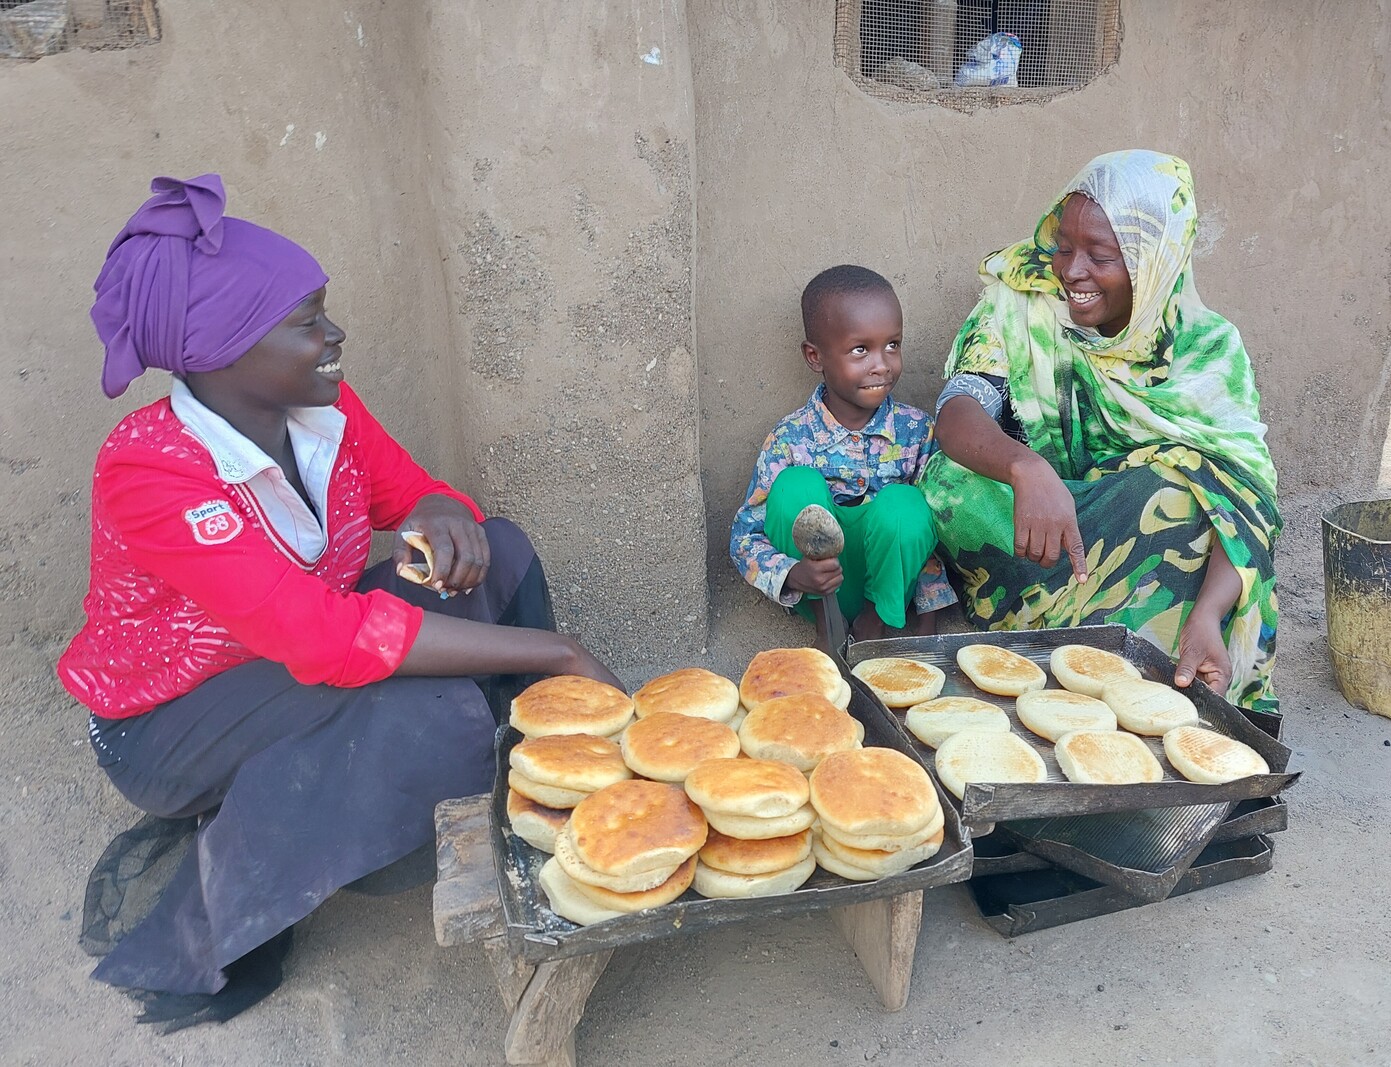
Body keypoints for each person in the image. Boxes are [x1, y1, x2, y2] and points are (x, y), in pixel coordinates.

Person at [58, 174, 621, 1028]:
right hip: (175, 719)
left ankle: (527, 759)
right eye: (307, 319)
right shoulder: (152, 468)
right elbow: (323, 637)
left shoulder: (319, 406)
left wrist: (442, 509)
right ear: (223, 349)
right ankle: (295, 834)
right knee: (424, 718)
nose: (334, 333)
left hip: (294, 650)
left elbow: (414, 496)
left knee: (496, 550)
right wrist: (556, 652)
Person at [922, 151, 1281, 713]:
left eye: (1102, 256)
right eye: (1064, 246)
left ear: (1154, 261)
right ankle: (1052, 645)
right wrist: (1026, 469)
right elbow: (958, 410)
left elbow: (1246, 503)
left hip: (1132, 533)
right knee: (949, 481)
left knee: (1178, 497)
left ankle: (1153, 667)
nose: (1071, 271)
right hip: (1031, 529)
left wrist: (1212, 611)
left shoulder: (1208, 351)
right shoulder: (1023, 304)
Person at [730, 265, 958, 645]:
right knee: (795, 486)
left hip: (889, 591)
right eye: (860, 350)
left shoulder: (918, 432)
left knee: (906, 504)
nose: (881, 364)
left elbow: (932, 533)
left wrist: (928, 622)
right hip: (816, 588)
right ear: (815, 356)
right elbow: (743, 536)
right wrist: (792, 574)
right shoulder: (790, 439)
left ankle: (875, 624)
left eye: (892, 345)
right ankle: (828, 628)